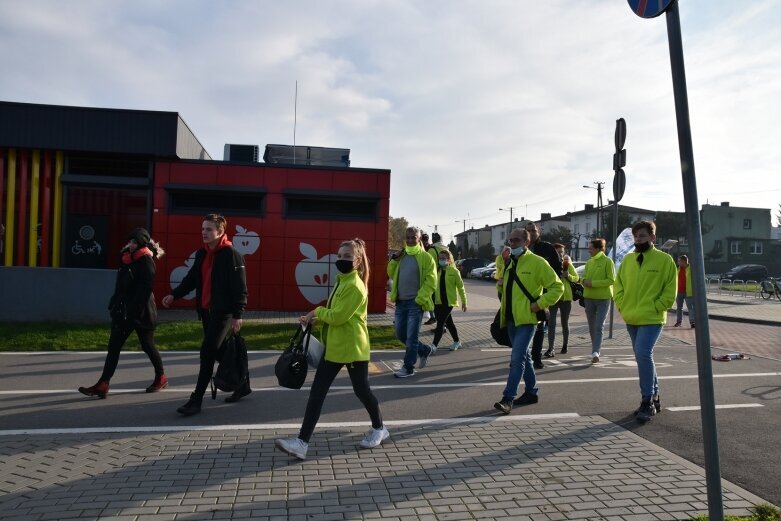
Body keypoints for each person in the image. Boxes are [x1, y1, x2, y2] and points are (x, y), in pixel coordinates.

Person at [275, 239, 388, 460]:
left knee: (362, 391)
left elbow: (337, 316)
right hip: (336, 347)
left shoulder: (355, 286)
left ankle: (379, 428)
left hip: (353, 347)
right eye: (339, 256)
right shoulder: (342, 281)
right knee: (317, 393)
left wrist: (317, 311)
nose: (341, 260)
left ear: (357, 261)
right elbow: (336, 312)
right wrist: (318, 318)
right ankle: (301, 443)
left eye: (346, 257)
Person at [162, 213, 248, 416]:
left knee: (207, 353)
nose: (204, 232)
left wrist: (238, 314)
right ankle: (242, 384)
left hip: (224, 313)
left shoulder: (232, 254)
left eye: (209, 229)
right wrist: (174, 295)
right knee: (220, 352)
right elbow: (191, 279)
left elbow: (240, 287)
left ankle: (196, 400)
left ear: (220, 232)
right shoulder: (202, 254)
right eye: (203, 229)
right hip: (207, 313)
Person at [79, 228, 167, 398]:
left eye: (134, 242)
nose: (131, 244)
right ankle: (103, 384)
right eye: (130, 241)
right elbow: (121, 286)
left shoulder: (146, 261)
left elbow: (145, 290)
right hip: (123, 311)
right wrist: (114, 303)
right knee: (114, 347)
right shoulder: (127, 259)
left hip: (142, 313)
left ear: (141, 243)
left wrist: (132, 311)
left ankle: (161, 377)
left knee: (147, 346)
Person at [494, 228, 563, 414]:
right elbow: (503, 288)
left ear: (527, 241)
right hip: (510, 319)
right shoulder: (509, 262)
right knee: (524, 357)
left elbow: (558, 287)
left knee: (516, 359)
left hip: (527, 319)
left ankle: (508, 398)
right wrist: (500, 278)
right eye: (510, 240)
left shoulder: (538, 262)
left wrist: (540, 304)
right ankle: (532, 392)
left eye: (516, 240)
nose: (512, 244)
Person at [614, 220, 677, 423]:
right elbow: (619, 285)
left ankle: (647, 400)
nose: (638, 240)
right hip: (631, 317)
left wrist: (657, 306)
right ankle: (655, 397)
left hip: (652, 317)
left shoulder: (664, 260)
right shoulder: (628, 260)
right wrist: (622, 305)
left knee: (643, 354)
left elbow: (670, 290)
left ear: (652, 238)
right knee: (643, 357)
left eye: (642, 236)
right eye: (635, 237)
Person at [387, 226, 437, 378]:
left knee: (411, 337)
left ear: (419, 239)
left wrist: (420, 298)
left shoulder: (426, 257)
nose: (409, 240)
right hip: (401, 302)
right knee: (401, 334)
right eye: (407, 237)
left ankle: (408, 367)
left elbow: (431, 280)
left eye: (413, 238)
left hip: (416, 303)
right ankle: (424, 350)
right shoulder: (402, 256)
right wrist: (394, 259)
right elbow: (390, 273)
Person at [524, 222, 562, 369]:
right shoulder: (521, 248)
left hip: (542, 296)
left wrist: (549, 291)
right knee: (523, 328)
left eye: (534, 230)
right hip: (523, 296)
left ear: (538, 232)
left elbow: (557, 270)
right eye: (529, 230)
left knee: (540, 327)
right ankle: (521, 356)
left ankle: (536, 358)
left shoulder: (547, 248)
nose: (532, 233)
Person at [582, 238, 615, 364]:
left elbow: (611, 280)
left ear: (598, 249)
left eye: (590, 248)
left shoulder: (608, 261)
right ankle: (594, 348)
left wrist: (593, 283)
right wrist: (583, 280)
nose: (589, 250)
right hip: (588, 298)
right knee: (591, 326)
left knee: (599, 326)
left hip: (603, 298)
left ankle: (596, 351)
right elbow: (584, 277)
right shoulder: (589, 262)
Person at [544, 244, 579, 357]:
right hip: (553, 297)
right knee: (551, 323)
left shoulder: (567, 264)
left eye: (562, 252)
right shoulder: (550, 265)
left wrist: (568, 276)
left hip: (566, 298)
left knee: (565, 323)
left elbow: (577, 278)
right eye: (558, 252)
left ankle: (565, 345)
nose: (560, 254)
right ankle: (551, 348)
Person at [432, 249, 467, 351]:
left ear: (448, 259)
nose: (441, 260)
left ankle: (434, 345)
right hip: (438, 301)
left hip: (448, 302)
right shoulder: (436, 271)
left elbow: (461, 287)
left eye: (443, 258)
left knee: (440, 323)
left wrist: (464, 302)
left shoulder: (454, 271)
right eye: (440, 258)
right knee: (449, 323)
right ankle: (457, 341)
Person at [674, 255, 695, 328]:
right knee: (679, 307)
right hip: (679, 291)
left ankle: (692, 322)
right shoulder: (678, 268)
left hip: (688, 291)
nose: (678, 262)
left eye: (679, 261)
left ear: (683, 261)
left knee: (691, 307)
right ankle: (679, 322)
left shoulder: (691, 268)